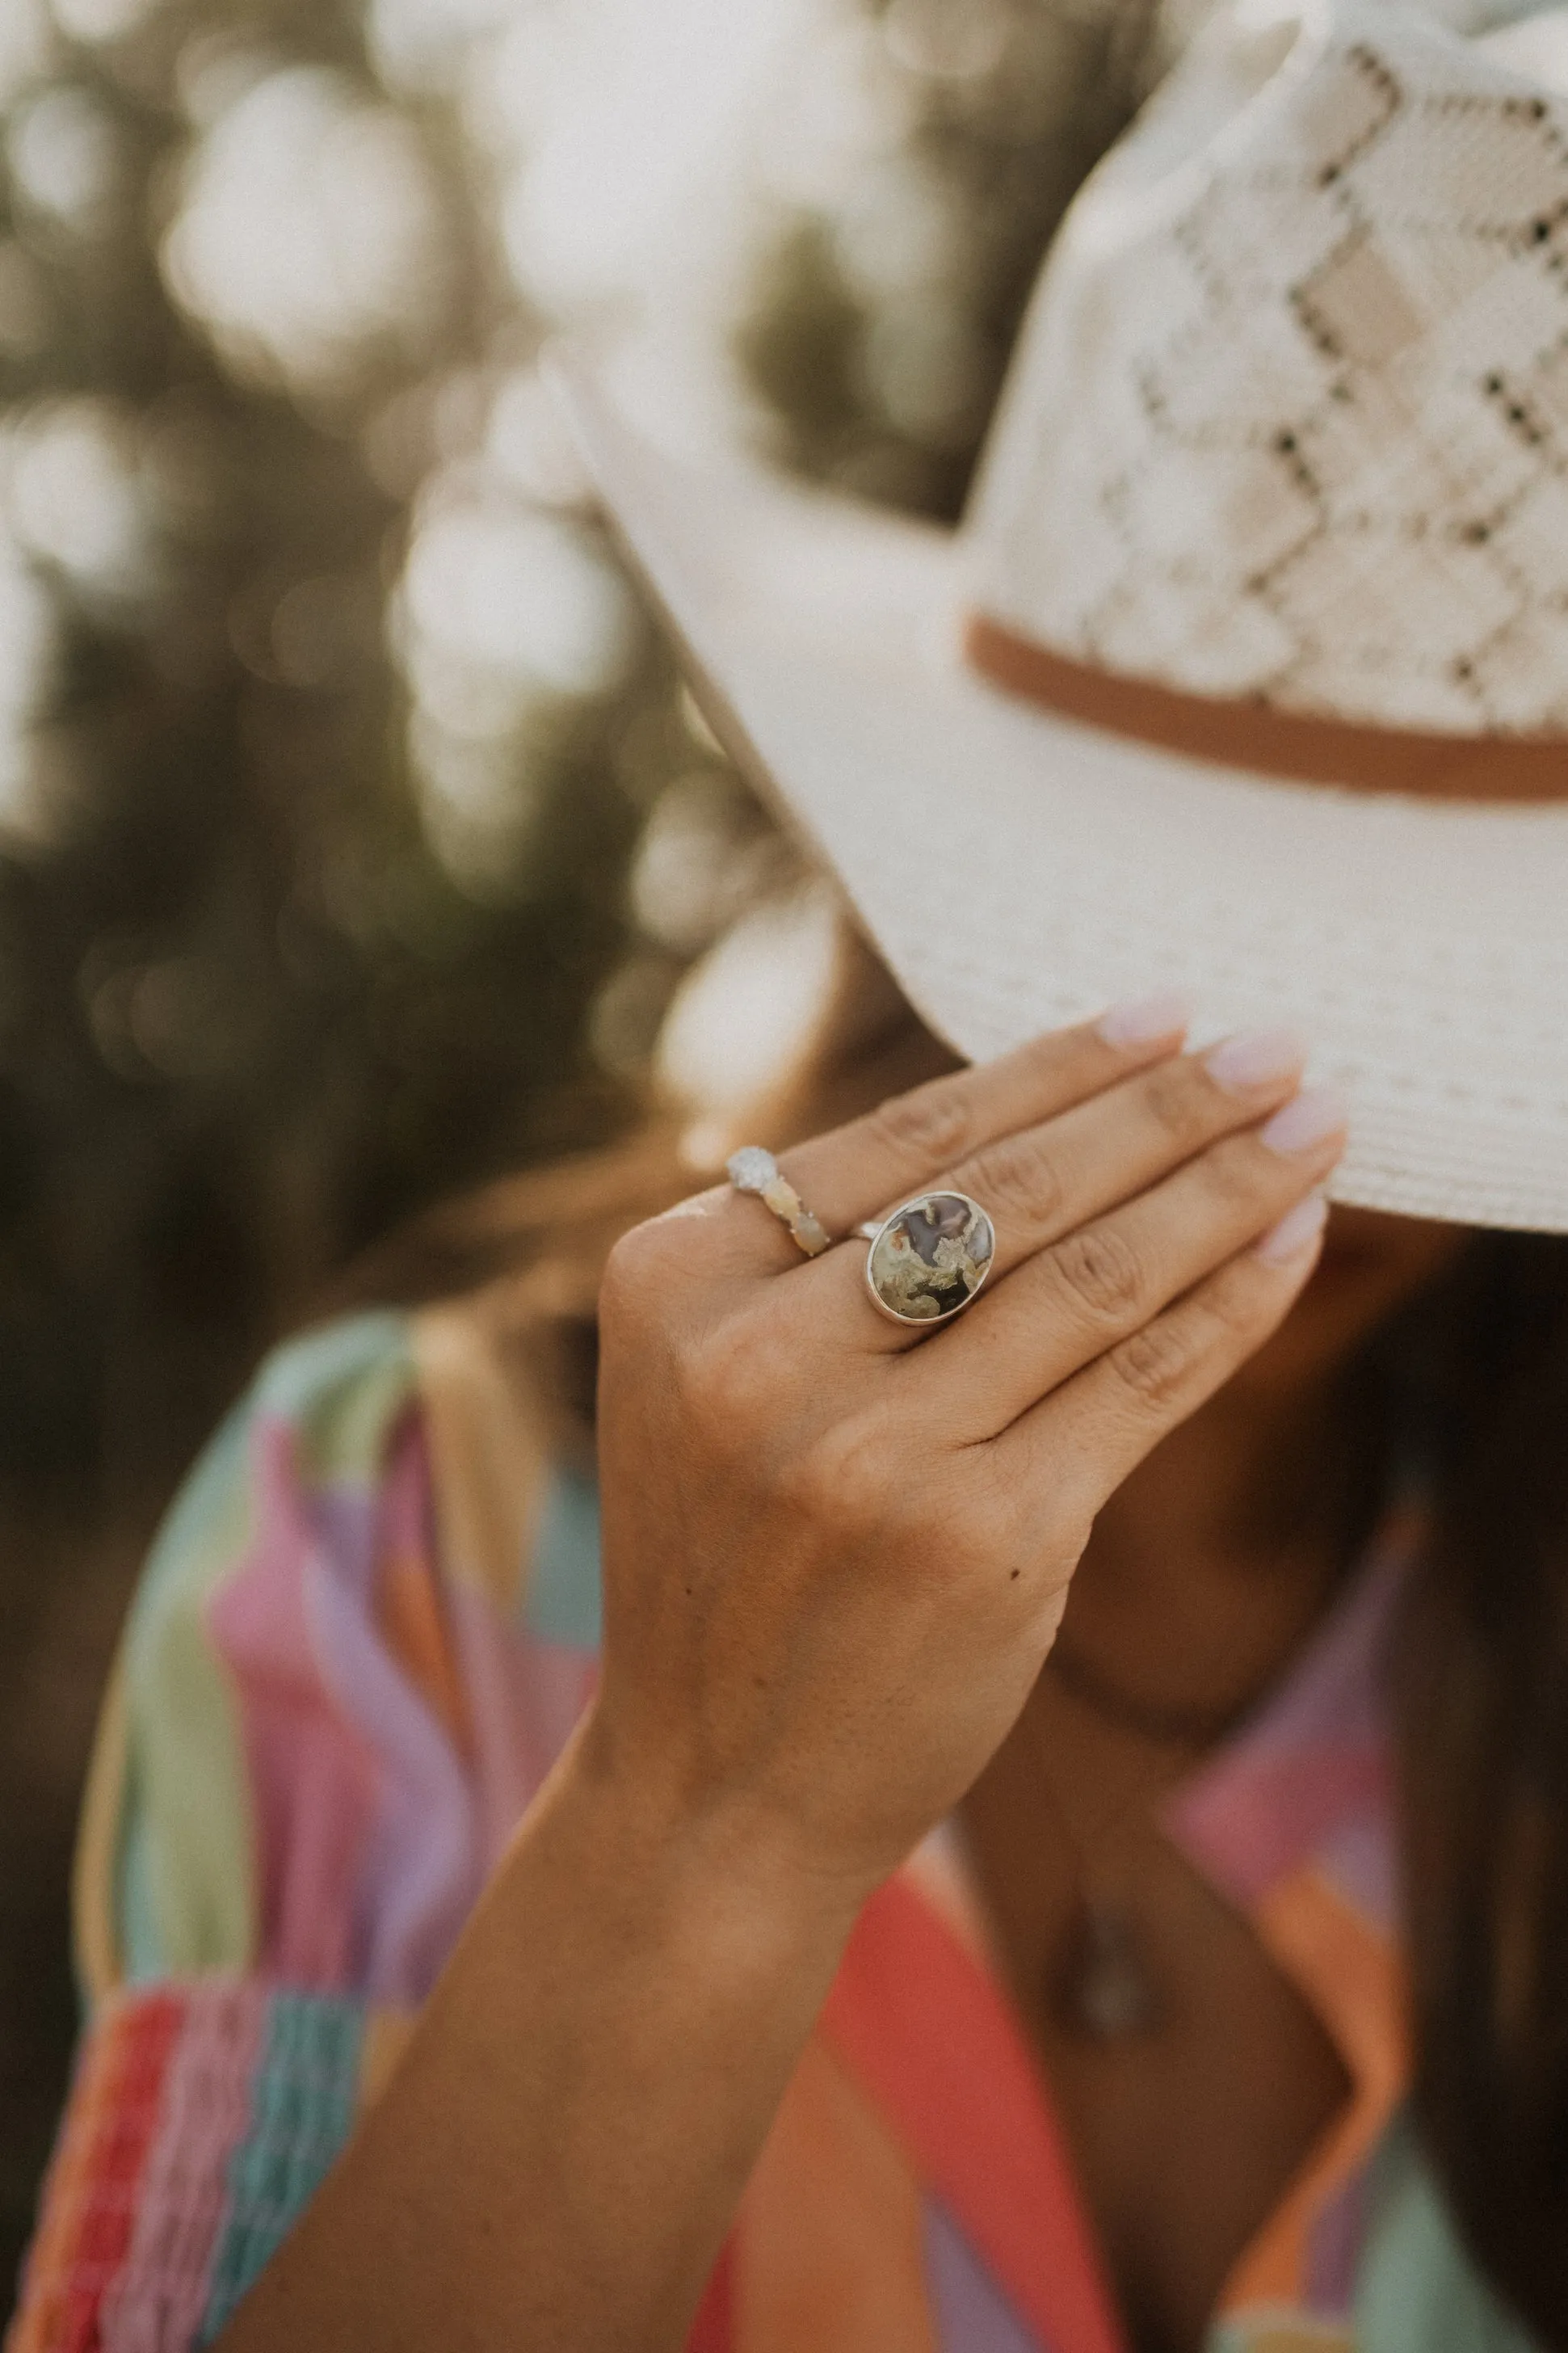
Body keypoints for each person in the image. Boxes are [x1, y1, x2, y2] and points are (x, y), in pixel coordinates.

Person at [10, 2, 1568, 2348]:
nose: (1298, 1134)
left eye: (1436, 1035)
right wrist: (695, 1813)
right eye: (1200, 988)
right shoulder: (402, 1526)